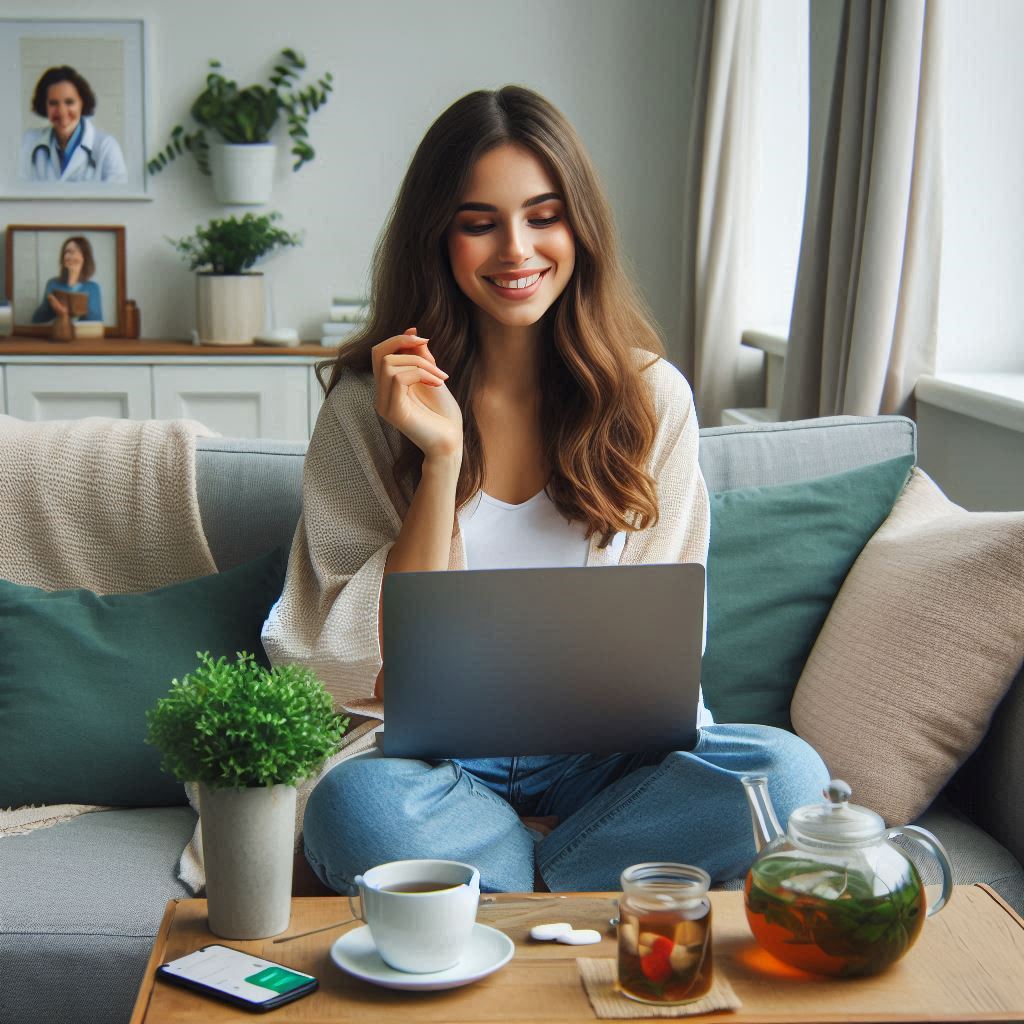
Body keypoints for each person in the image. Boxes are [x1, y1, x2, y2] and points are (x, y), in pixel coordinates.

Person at [262, 85, 828, 895]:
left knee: (789, 776)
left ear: (580, 227)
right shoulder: (367, 407)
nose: (516, 250)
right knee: (354, 811)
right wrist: (442, 461)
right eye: (479, 222)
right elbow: (364, 658)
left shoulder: (652, 399)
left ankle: (511, 883)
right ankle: (588, 881)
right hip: (431, 763)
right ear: (438, 237)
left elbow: (661, 644)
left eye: (543, 215)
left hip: (606, 763)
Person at [19, 65, 127, 183]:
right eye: (53, 103)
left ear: (82, 103)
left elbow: (118, 199)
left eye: (69, 102)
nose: (61, 111)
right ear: (44, 105)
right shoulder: (29, 142)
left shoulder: (106, 147)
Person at [31, 236, 103, 324]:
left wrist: (66, 314)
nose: (71, 255)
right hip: (57, 333)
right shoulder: (52, 284)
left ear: (85, 258)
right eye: (68, 251)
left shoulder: (93, 288)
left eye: (77, 251)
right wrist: (49, 304)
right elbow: (37, 320)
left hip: (83, 336)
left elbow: (96, 321)